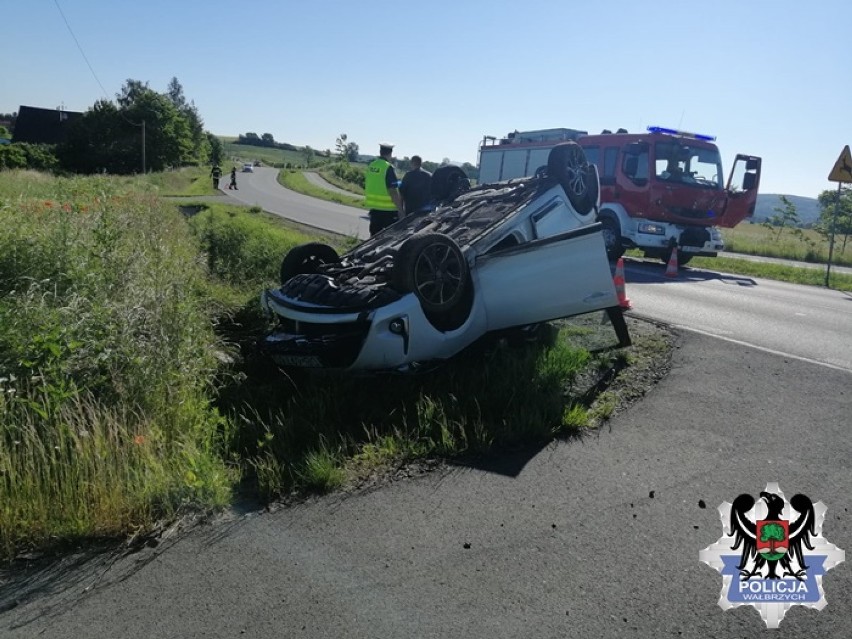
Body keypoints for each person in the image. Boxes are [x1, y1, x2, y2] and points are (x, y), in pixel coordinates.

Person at [364, 142, 403, 236]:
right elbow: (393, 191)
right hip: (388, 211)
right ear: (390, 153)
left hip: (374, 209)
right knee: (389, 239)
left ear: (380, 151)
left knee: (373, 237)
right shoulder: (388, 167)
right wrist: (400, 210)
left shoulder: (372, 165)